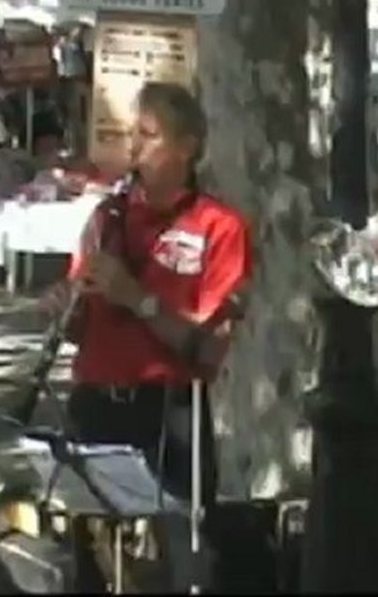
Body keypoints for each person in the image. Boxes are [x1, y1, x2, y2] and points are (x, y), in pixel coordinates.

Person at [40, 81, 251, 589]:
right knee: (88, 562)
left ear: (187, 147)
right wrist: (62, 311)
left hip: (169, 411)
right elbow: (80, 317)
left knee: (182, 565)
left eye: (150, 135)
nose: (134, 147)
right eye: (132, 133)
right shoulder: (106, 216)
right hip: (95, 402)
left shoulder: (219, 227)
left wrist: (137, 298)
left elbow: (207, 348)